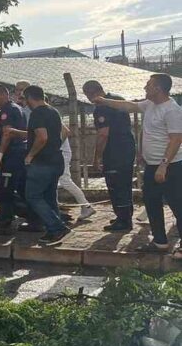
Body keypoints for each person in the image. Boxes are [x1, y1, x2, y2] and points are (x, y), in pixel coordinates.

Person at [94, 73, 182, 257]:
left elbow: (176, 139)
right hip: (152, 165)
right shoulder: (150, 104)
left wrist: (163, 165)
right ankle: (160, 242)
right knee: (151, 202)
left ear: (158, 88)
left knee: (177, 205)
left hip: (171, 166)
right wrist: (104, 101)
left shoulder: (172, 110)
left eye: (148, 85)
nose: (145, 88)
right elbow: (129, 105)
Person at [83, 79, 136, 231]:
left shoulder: (101, 107)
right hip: (127, 147)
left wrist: (97, 157)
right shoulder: (116, 99)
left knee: (116, 185)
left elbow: (103, 135)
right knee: (124, 183)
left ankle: (124, 221)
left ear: (91, 93)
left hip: (114, 151)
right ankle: (124, 216)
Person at [21, 86, 70, 245]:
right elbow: (65, 132)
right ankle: (53, 231)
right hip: (56, 160)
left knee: (33, 196)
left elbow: (42, 137)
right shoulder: (53, 111)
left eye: (25, 99)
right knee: (49, 197)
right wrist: (54, 146)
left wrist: (30, 155)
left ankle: (57, 227)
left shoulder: (37, 113)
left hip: (41, 163)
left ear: (29, 98)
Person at [0, 84, 34, 235]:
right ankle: (36, 219)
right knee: (22, 188)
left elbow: (8, 134)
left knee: (6, 190)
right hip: (20, 154)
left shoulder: (7, 110)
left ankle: (4, 224)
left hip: (12, 155)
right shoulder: (18, 108)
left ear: (4, 95)